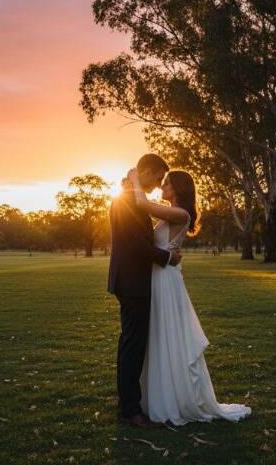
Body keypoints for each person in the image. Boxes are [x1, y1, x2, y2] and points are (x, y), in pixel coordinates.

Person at [127, 167, 251, 425]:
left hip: (165, 281)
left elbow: (141, 202)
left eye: (167, 184)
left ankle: (173, 399)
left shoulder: (180, 213)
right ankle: (157, 396)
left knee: (167, 335)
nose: (162, 187)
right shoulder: (171, 214)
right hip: (159, 276)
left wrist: (134, 178)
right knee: (159, 336)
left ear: (178, 189)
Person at [108, 154, 180, 428]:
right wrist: (167, 257)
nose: (159, 183)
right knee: (133, 346)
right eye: (159, 177)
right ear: (146, 172)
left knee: (130, 344)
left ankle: (127, 404)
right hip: (132, 282)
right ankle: (130, 410)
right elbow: (136, 245)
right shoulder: (126, 200)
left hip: (131, 281)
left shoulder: (129, 196)